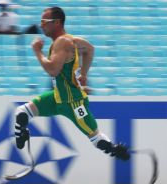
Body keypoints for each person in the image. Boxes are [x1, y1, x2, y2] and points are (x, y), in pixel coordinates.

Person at [14, 7, 130, 161]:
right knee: (22, 112)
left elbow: (53, 70)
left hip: (73, 102)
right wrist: (83, 74)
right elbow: (89, 49)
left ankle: (113, 149)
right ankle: (21, 133)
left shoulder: (62, 42)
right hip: (58, 98)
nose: (41, 25)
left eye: (44, 21)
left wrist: (37, 51)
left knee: (96, 139)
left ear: (56, 23)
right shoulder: (72, 40)